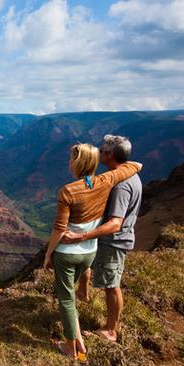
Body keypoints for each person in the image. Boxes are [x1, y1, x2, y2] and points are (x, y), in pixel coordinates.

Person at [42, 142, 142, 360]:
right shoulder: (105, 181)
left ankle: (71, 349)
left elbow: (59, 229)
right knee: (70, 296)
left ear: (76, 163)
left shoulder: (68, 191)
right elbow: (135, 166)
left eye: (71, 158)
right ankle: (78, 339)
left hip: (68, 254)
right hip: (89, 253)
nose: (69, 162)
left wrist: (48, 254)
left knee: (66, 300)